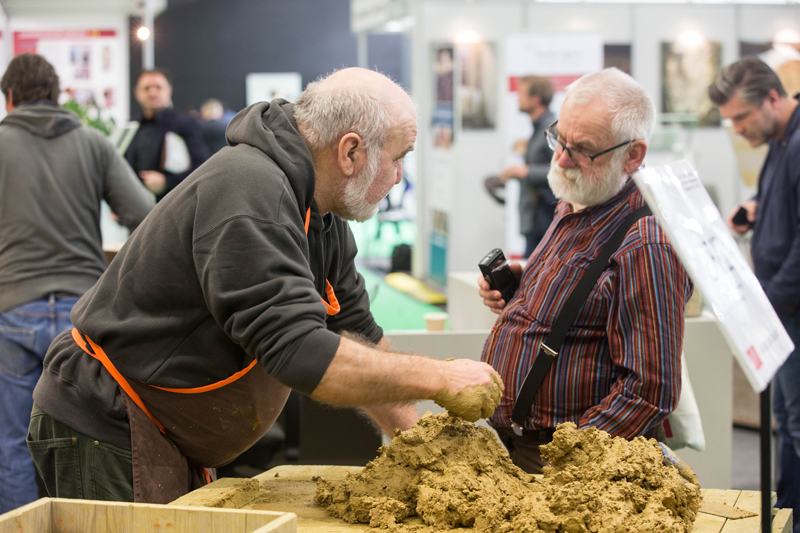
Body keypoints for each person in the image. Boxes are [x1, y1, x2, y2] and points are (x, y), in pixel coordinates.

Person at [28, 67, 502, 504]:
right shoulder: (252, 192)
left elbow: (356, 332)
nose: (399, 177)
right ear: (351, 151)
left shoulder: (322, 212)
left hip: (167, 434)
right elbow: (298, 350)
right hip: (107, 425)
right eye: (397, 159)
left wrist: (424, 454)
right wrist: (442, 377)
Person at [478, 68, 692, 474]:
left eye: (582, 150)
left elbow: (649, 391)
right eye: (559, 139)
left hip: (565, 467)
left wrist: (570, 462)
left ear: (633, 155)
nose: (560, 159)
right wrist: (527, 288)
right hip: (519, 450)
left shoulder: (648, 243)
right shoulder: (578, 199)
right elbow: (587, 297)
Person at [0, 53, 155, 514]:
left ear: (9, 98)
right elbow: (146, 215)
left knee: (10, 442)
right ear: (56, 95)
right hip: (81, 318)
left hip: (13, 309)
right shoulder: (93, 143)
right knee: (83, 439)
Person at [709, 57, 800, 532]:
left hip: (789, 309)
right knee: (787, 421)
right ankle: (788, 513)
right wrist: (757, 208)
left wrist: (769, 302)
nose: (739, 130)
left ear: (771, 98)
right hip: (783, 311)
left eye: (742, 119)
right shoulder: (782, 142)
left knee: (798, 426)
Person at [124, 68, 208, 201]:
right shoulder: (130, 126)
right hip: (136, 206)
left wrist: (167, 181)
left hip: (172, 205)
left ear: (169, 90)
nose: (152, 93)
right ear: (137, 93)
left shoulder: (184, 123)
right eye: (146, 88)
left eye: (158, 87)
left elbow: (202, 166)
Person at [499, 76, 558, 256]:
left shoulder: (552, 129)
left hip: (545, 219)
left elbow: (563, 171)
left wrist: (524, 172)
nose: (517, 98)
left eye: (522, 93)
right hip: (536, 219)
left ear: (536, 98)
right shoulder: (539, 129)